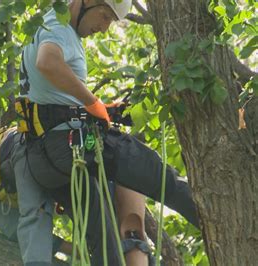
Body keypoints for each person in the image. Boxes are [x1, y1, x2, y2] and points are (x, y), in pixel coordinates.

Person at [13, 0, 199, 264]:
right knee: (163, 178)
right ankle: (225, 217)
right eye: (104, 17)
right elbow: (48, 63)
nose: (103, 28)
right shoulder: (59, 24)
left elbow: (52, 101)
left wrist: (104, 110)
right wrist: (91, 102)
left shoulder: (48, 25)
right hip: (68, 146)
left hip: (45, 159)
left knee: (104, 239)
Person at [0, 123, 153, 265]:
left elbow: (13, 228)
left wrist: (72, 249)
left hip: (77, 187)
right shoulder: (14, 146)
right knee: (120, 239)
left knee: (114, 238)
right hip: (78, 180)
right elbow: (30, 218)